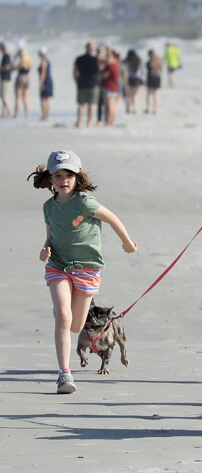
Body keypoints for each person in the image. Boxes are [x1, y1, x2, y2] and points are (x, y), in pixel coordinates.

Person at [28, 149, 138, 393]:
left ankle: (64, 310)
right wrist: (44, 251)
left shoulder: (84, 201)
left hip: (86, 270)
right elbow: (50, 238)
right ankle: (64, 374)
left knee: (77, 326)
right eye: (58, 175)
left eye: (69, 174)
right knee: (64, 318)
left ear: (78, 176)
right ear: (50, 179)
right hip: (58, 267)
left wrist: (127, 243)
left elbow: (112, 219)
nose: (63, 180)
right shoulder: (49, 207)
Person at [73, 41, 99, 128]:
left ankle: (78, 122)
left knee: (81, 104)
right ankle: (89, 122)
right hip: (93, 84)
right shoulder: (96, 59)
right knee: (91, 104)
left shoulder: (79, 59)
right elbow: (102, 69)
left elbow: (74, 72)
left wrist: (76, 81)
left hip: (82, 83)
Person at [100, 48, 120, 126]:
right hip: (114, 87)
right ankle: (111, 121)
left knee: (109, 106)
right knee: (112, 105)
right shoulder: (116, 65)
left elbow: (104, 75)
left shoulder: (111, 66)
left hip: (109, 86)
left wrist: (100, 75)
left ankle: (109, 121)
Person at [12, 45, 32, 119]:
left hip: (20, 78)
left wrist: (15, 57)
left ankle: (16, 113)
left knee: (18, 97)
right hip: (27, 78)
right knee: (25, 98)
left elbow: (13, 67)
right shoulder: (28, 61)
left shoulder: (21, 62)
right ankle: (27, 114)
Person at [124, 48, 143, 114]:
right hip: (137, 79)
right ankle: (134, 108)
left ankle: (128, 106)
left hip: (130, 78)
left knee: (129, 94)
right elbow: (142, 71)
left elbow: (125, 70)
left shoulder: (127, 61)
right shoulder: (139, 61)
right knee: (136, 95)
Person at [37, 47, 53, 121]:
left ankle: (44, 115)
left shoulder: (43, 62)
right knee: (46, 99)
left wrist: (41, 83)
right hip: (49, 81)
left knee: (43, 98)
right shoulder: (47, 61)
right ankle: (47, 115)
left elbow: (43, 73)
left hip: (45, 81)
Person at [145, 49, 162, 114]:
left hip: (150, 78)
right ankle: (155, 109)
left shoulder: (149, 62)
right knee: (156, 94)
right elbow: (160, 69)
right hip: (157, 78)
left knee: (149, 95)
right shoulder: (158, 61)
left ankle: (148, 108)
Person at [0, 42, 11, 117]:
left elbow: (7, 67)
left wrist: (1, 69)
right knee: (2, 95)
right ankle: (4, 112)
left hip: (6, 78)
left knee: (4, 96)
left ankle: (9, 111)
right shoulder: (5, 56)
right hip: (4, 78)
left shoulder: (6, 56)